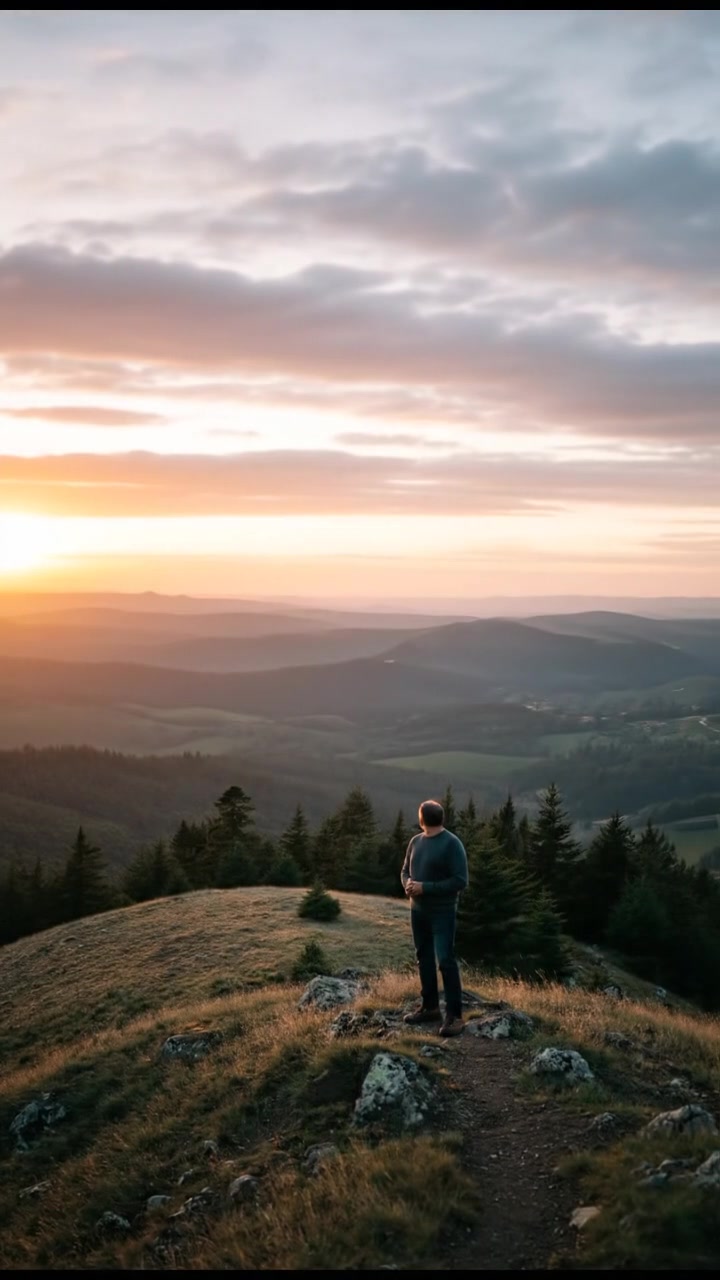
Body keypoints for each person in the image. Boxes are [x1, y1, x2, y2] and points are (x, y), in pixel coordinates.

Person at [400, 798, 468, 1037]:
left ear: (422, 819)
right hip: (417, 911)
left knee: (446, 961)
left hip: (442, 912)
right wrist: (408, 884)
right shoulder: (415, 841)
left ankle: (455, 1016)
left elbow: (460, 881)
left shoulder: (452, 844)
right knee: (423, 957)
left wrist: (425, 888)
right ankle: (430, 1007)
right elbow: (405, 870)